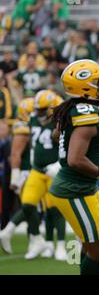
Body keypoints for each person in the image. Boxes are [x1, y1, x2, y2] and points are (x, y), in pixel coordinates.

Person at [50, 59, 99, 275]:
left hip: (80, 186)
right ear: (85, 87)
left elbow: (56, 136)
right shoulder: (86, 115)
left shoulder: (74, 108)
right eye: (98, 81)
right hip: (74, 188)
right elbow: (75, 159)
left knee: (91, 245)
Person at [0, 90, 66, 260]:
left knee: (55, 209)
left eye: (43, 109)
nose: (39, 113)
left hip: (54, 170)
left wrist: (60, 164)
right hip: (37, 170)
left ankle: (60, 245)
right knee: (28, 205)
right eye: (38, 109)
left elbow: (68, 145)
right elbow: (18, 145)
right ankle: (36, 240)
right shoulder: (32, 119)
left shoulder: (61, 122)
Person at [0, 97, 34, 254]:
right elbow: (15, 154)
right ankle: (8, 231)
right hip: (26, 172)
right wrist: (15, 177)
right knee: (30, 206)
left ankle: (35, 242)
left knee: (33, 208)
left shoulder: (27, 125)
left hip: (29, 171)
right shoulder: (23, 127)